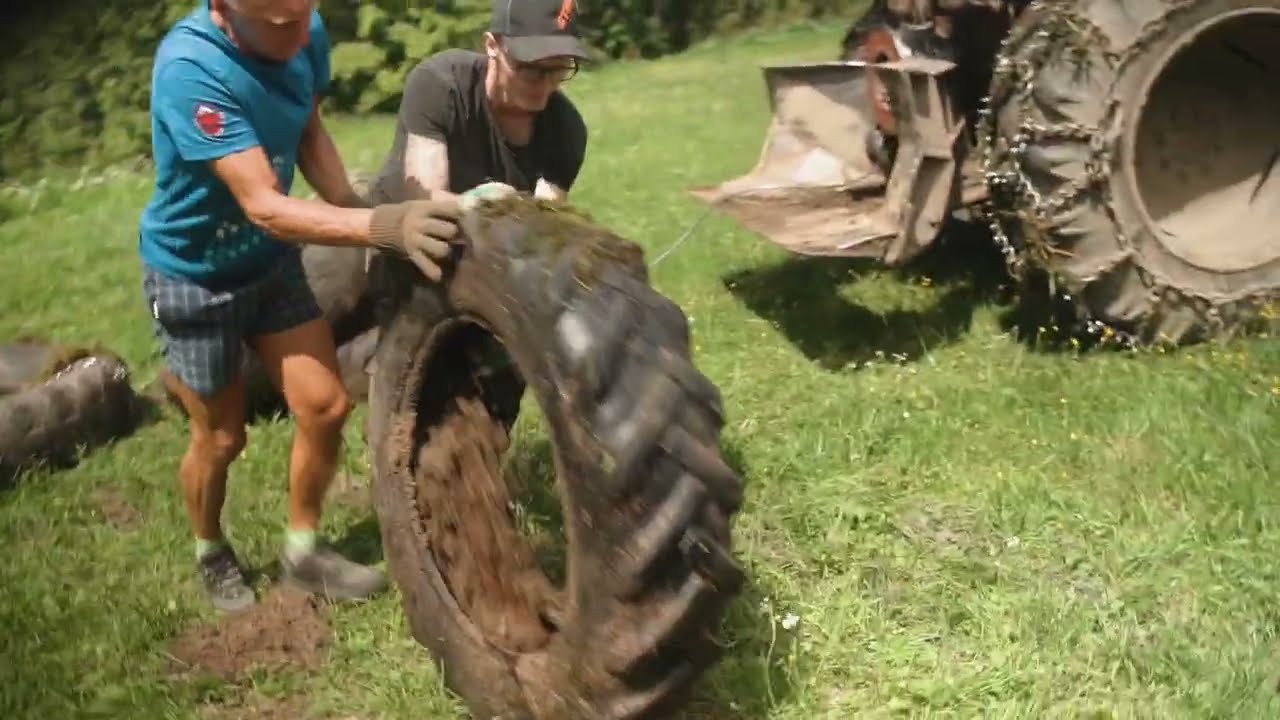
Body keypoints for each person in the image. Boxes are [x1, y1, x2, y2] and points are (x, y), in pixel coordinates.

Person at [137, 0, 464, 613]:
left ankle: (303, 550)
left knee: (324, 404)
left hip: (270, 261)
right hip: (195, 277)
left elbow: (308, 130)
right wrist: (381, 227)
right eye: (275, 24)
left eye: (300, 17)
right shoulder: (190, 69)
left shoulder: (302, 27)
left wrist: (349, 202)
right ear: (222, 10)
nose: (294, 35)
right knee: (222, 437)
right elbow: (263, 202)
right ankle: (210, 549)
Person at [367, 0, 590, 206]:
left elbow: (546, 225)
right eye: (531, 68)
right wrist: (477, 204)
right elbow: (425, 202)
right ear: (492, 45)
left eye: (559, 68)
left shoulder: (566, 129)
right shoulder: (441, 85)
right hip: (393, 239)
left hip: (492, 246)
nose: (545, 84)